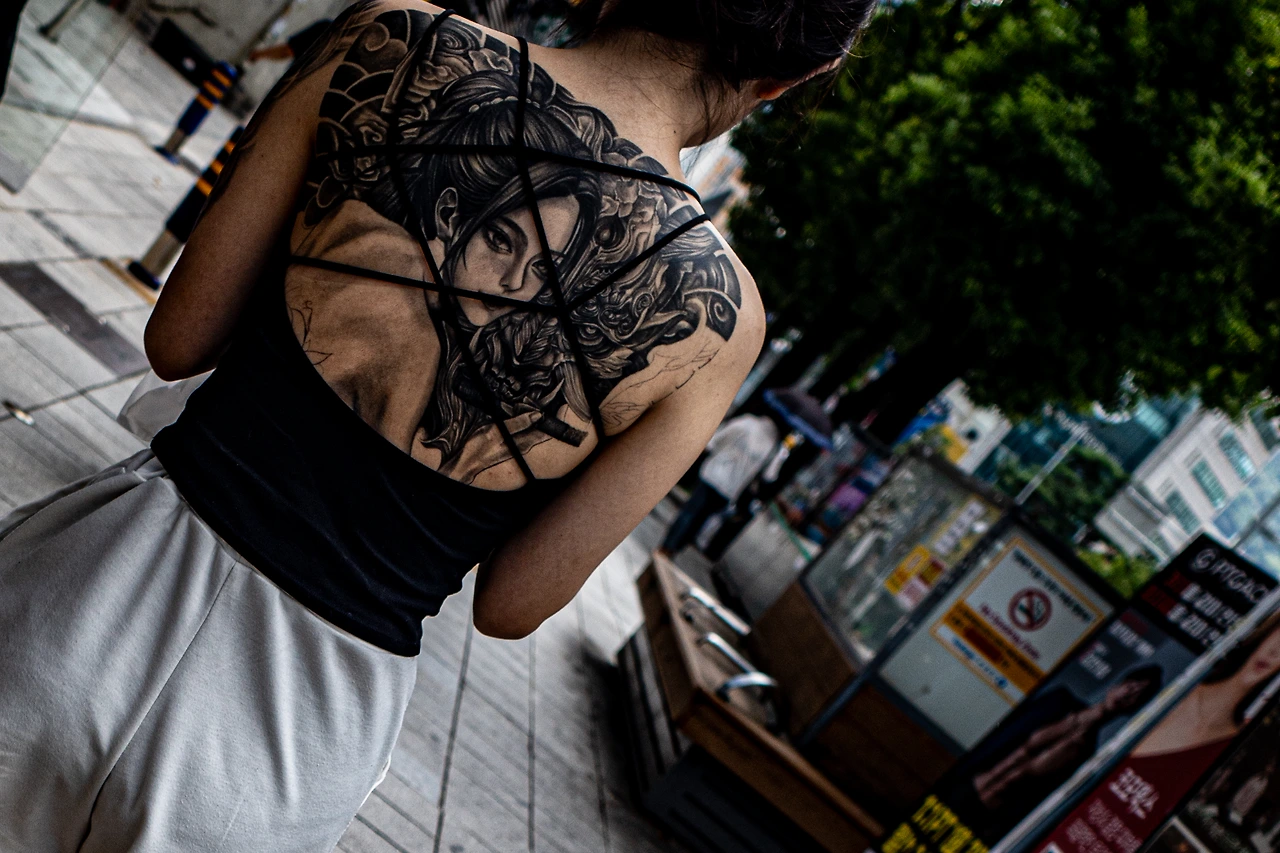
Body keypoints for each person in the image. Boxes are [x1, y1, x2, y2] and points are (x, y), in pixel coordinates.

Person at [0, 0, 875, 849]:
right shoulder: (722, 320)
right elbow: (513, 602)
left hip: (91, 589)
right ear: (795, 75)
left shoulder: (395, 40)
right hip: (294, 733)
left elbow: (178, 338)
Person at [660, 411, 779, 556]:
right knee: (702, 519)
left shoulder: (747, 422)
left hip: (713, 474)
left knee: (690, 511)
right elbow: (770, 475)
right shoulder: (773, 446)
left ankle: (667, 545)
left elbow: (718, 438)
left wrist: (710, 450)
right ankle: (676, 549)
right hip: (730, 488)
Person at [247, 18, 334, 64]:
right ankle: (257, 54)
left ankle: (257, 54)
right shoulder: (327, 26)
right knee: (290, 50)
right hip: (328, 32)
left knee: (290, 51)